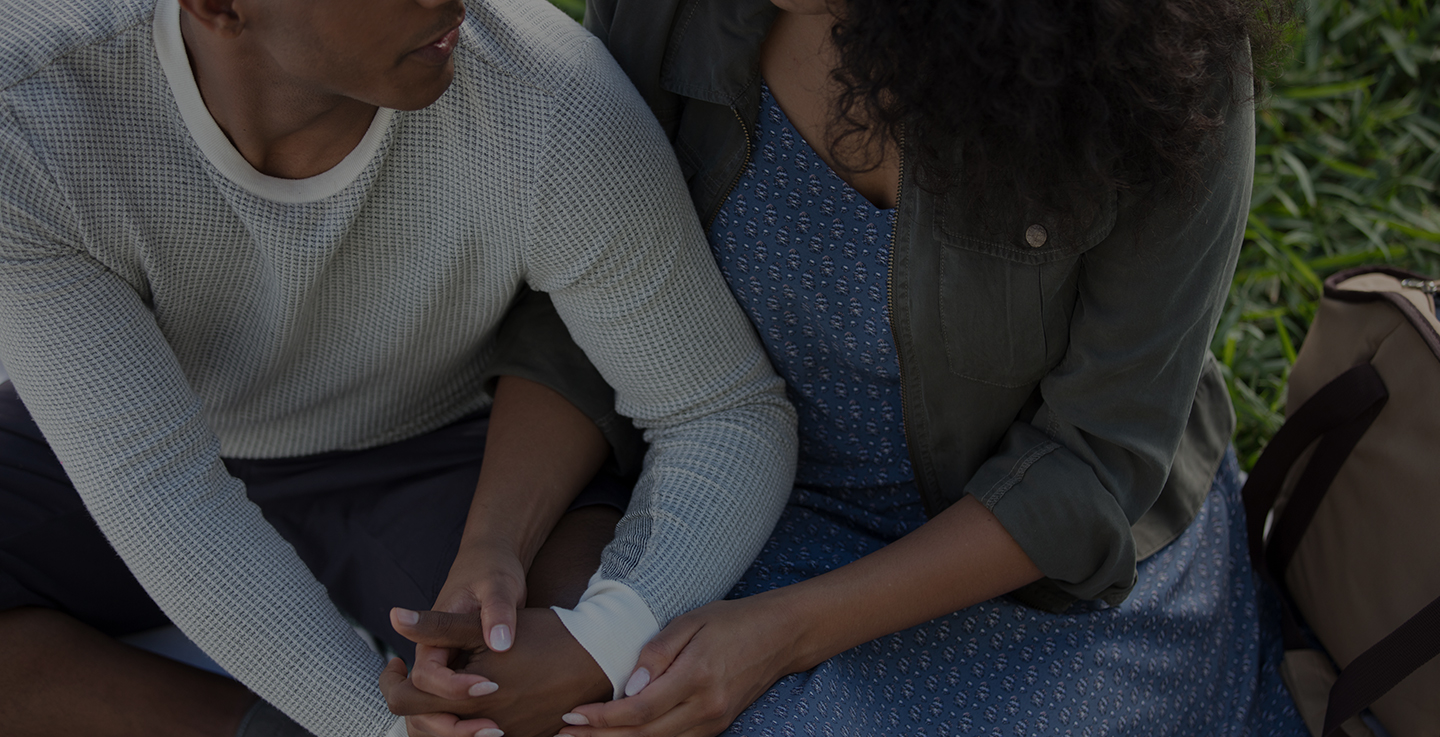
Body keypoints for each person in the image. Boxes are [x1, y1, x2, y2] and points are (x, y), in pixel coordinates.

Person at [384, 0, 1312, 734]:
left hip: (1032, 572)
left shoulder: (1161, 73)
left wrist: (777, 637)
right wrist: (498, 544)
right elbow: (588, 299)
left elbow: (1092, 462)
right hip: (733, 493)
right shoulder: (675, 13)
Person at [0, 0, 799, 735]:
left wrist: (605, 633)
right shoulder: (29, 109)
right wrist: (374, 725)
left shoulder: (546, 98)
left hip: (434, 445)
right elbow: (157, 485)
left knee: (570, 697)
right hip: (122, 446)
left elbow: (721, 409)